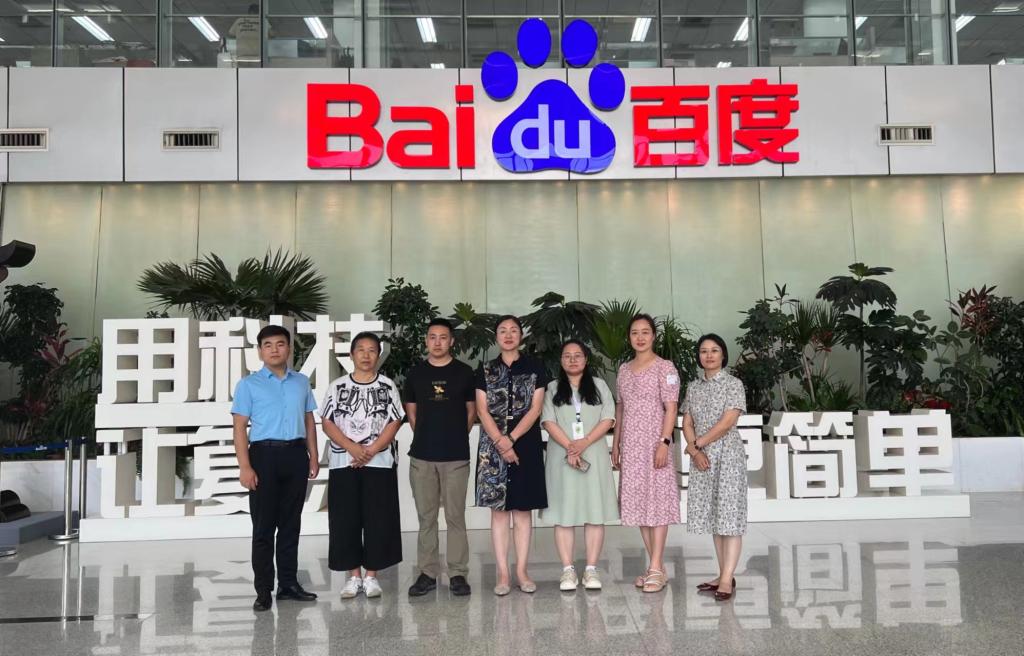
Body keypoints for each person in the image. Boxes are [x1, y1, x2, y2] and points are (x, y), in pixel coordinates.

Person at [231, 325, 320, 612]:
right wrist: (245, 466)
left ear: (289, 349)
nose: (274, 349)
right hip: (263, 456)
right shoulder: (249, 384)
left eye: (280, 344)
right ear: (260, 351)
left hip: (295, 455)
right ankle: (263, 590)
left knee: (291, 524)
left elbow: (308, 421)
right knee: (264, 527)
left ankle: (288, 585)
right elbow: (239, 427)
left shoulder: (301, 382)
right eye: (267, 345)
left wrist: (313, 456)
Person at [321, 332, 404, 600]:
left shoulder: (388, 386)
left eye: (372, 350)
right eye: (361, 350)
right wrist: (352, 447)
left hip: (379, 463)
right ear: (351, 354)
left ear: (378, 355)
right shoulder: (337, 386)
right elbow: (327, 422)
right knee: (345, 519)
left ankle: (371, 576)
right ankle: (353, 576)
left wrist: (372, 449)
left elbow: (394, 421)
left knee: (378, 519)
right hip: (343, 462)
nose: (366, 355)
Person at [475, 315, 549, 596]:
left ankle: (522, 571)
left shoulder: (535, 367)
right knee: (498, 512)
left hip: (525, 443)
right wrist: (501, 442)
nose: (508, 335)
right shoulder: (485, 369)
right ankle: (503, 574)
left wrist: (512, 440)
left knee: (522, 512)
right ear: (496, 337)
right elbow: (482, 410)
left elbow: (536, 408)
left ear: (521, 336)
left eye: (513, 330)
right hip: (492, 446)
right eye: (503, 331)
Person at [404, 318, 476, 598]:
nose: (437, 342)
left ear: (451, 341)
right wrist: (427, 436)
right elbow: (412, 412)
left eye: (443, 337)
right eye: (432, 337)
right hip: (422, 456)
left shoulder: (465, 373)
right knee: (427, 517)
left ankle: (458, 573)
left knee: (456, 516)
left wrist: (454, 436)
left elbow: (471, 411)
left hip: (456, 456)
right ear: (426, 340)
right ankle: (427, 573)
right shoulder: (415, 373)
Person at [540, 340, 618, 591]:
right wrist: (570, 446)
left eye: (578, 355)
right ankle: (567, 570)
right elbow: (548, 421)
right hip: (561, 457)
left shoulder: (599, 385)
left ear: (586, 359)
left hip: (592, 453)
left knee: (595, 511)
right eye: (567, 356)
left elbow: (608, 418)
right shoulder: (552, 388)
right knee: (563, 514)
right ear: (561, 360)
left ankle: (592, 569)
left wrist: (584, 442)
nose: (572, 360)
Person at [612, 314, 680, 594]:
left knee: (658, 501)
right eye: (634, 333)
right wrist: (616, 444)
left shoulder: (665, 367)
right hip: (631, 446)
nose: (640, 337)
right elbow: (620, 408)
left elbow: (672, 407)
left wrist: (664, 442)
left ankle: (655, 567)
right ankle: (657, 567)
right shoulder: (623, 370)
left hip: (655, 443)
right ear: (629, 337)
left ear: (654, 336)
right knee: (639, 502)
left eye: (645, 332)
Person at [683, 333, 748, 602]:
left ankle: (727, 578)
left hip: (727, 456)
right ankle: (724, 574)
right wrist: (695, 450)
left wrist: (697, 444)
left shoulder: (734, 384)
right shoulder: (693, 387)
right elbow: (687, 422)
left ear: (723, 355)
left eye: (714, 350)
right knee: (715, 517)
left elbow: (727, 422)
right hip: (702, 457)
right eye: (703, 351)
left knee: (730, 518)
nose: (708, 355)